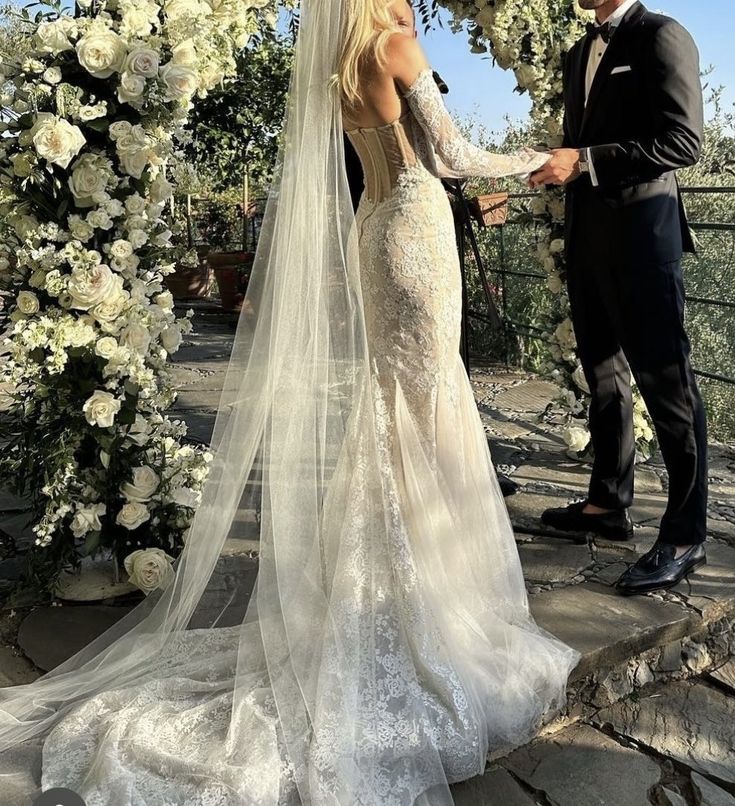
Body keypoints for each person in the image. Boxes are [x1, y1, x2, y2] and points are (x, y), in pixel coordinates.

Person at [0, 0, 579, 802]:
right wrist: (539, 159)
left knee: (392, 404)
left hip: (374, 228)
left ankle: (395, 583)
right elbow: (449, 155)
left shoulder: (336, 62)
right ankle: (428, 602)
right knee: (428, 402)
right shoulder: (396, 45)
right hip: (413, 225)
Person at [530, 0, 708, 597]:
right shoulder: (581, 51)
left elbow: (684, 142)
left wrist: (585, 161)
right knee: (603, 377)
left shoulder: (663, 35)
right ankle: (608, 508)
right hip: (587, 246)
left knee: (669, 387)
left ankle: (685, 534)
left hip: (643, 243)